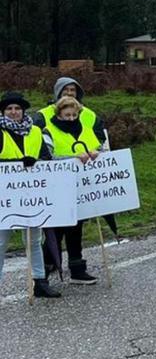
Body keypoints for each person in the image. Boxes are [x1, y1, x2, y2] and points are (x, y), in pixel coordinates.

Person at [0, 92, 61, 298]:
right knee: (1, 243)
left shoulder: (35, 131)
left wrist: (37, 163)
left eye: (17, 108)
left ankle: (40, 281)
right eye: (9, 109)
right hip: (5, 198)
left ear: (23, 111)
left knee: (34, 240)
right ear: (4, 112)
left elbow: (46, 157)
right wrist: (16, 165)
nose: (14, 112)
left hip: (32, 194)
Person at [42, 97, 108, 285]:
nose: (71, 118)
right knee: (56, 232)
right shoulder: (49, 131)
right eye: (66, 115)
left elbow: (99, 149)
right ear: (59, 114)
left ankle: (77, 270)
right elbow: (47, 157)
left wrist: (96, 154)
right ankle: (43, 273)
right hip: (58, 189)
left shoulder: (85, 129)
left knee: (76, 229)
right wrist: (73, 158)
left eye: (74, 114)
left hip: (81, 188)